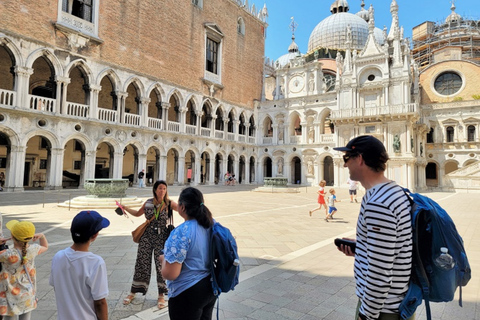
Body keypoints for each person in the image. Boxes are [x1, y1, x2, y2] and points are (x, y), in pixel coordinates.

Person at [334, 135, 413, 320]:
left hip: (383, 310)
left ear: (359, 159)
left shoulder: (379, 204)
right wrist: (362, 248)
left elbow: (380, 272)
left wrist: (366, 315)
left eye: (347, 159)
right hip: (389, 305)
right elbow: (392, 249)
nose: (345, 165)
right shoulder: (394, 191)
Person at [160, 187, 216, 320]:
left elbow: (170, 274)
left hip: (187, 291)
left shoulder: (182, 232)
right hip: (210, 286)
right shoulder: (211, 224)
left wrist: (163, 259)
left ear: (182, 207)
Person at [122, 180, 178, 309]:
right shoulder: (148, 203)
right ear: (155, 190)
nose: (162, 191)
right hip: (146, 236)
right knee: (142, 262)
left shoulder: (169, 203)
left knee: (160, 265)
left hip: (162, 238)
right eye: (160, 188)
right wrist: (125, 208)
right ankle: (133, 291)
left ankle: (161, 294)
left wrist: (197, 206)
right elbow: (137, 214)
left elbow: (182, 209)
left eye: (164, 188)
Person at [50, 211, 109, 320]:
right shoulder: (96, 262)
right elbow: (100, 302)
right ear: (95, 235)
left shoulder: (58, 257)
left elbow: (56, 286)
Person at [0, 220, 48, 320]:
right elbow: (45, 247)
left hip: (10, 295)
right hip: (28, 293)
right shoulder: (33, 249)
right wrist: (42, 236)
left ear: (12, 236)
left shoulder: (6, 255)